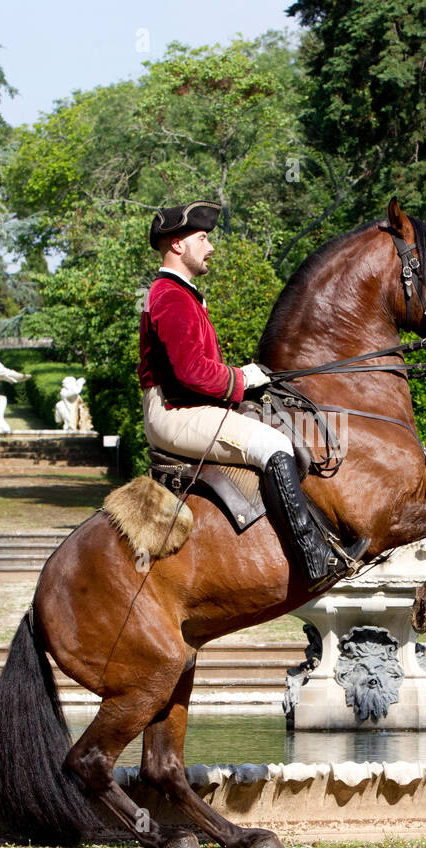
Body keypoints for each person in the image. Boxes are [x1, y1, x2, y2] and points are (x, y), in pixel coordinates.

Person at [138, 200, 342, 587]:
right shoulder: (169, 296)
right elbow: (190, 372)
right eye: (203, 238)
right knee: (273, 444)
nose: (210, 246)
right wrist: (241, 379)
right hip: (175, 410)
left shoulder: (182, 293)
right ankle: (313, 558)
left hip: (189, 406)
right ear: (178, 245)